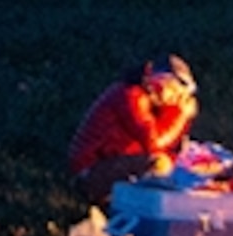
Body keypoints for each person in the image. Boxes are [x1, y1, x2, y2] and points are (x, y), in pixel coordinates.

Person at [66, 56, 199, 195]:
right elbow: (153, 143)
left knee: (177, 160)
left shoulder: (148, 99)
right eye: (174, 90)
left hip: (112, 160)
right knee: (160, 163)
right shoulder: (131, 96)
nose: (175, 98)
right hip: (89, 171)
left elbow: (166, 142)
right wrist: (180, 114)